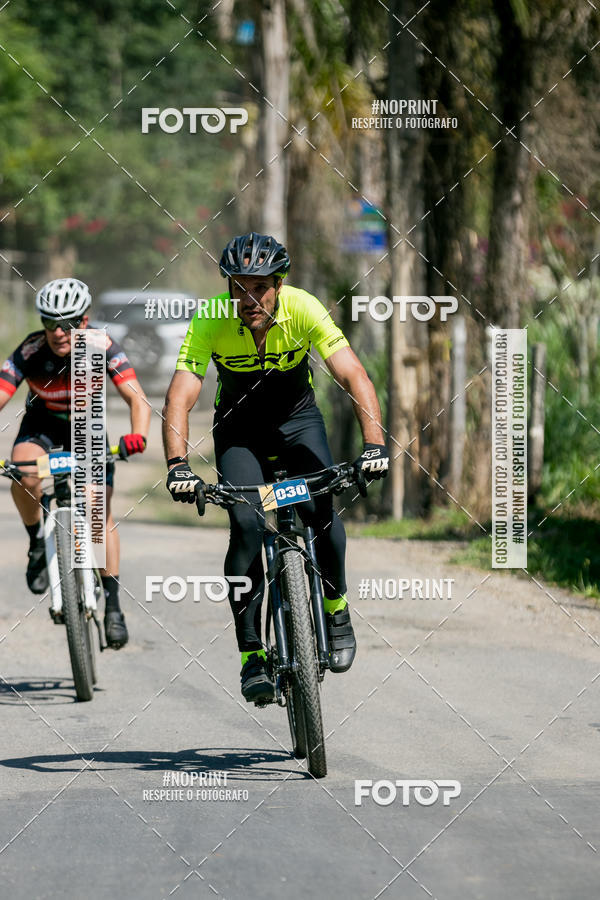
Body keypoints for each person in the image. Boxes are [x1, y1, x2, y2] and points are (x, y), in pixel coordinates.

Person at [163, 232, 388, 701]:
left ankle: (336, 605)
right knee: (246, 525)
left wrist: (373, 446)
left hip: (297, 423)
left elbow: (353, 374)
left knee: (322, 512)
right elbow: (180, 395)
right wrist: (178, 466)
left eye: (259, 286)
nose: (248, 298)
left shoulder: (304, 307)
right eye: (238, 286)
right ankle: (251, 655)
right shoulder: (210, 318)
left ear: (279, 283)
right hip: (238, 431)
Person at [0, 278, 151, 648]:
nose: (58, 331)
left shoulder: (103, 346)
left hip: (87, 427)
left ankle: (113, 605)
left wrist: (138, 434)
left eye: (67, 323)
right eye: (50, 322)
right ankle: (38, 542)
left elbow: (138, 399)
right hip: (43, 426)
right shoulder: (31, 350)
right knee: (22, 473)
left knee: (97, 509)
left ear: (84, 321)